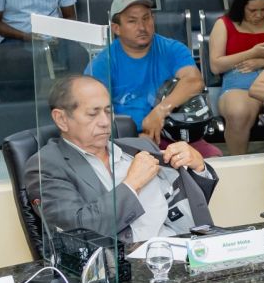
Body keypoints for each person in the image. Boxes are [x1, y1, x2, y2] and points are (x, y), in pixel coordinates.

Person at [20, 75, 217, 242]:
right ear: (62, 119)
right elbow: (79, 230)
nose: (105, 122)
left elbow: (192, 206)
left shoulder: (141, 147)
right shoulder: (46, 166)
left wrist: (199, 168)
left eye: (108, 111)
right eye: (93, 114)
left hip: (185, 249)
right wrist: (132, 184)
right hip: (124, 266)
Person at [85, 0, 218, 154]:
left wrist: (160, 111)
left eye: (146, 18)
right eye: (132, 21)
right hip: (127, 140)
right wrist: (133, 138)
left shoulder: (172, 49)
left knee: (213, 158)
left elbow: (194, 81)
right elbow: (92, 111)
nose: (142, 27)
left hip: (175, 134)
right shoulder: (102, 63)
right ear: (116, 28)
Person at [207, 0, 264, 155]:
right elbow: (216, 66)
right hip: (240, 81)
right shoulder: (224, 24)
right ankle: (239, 161)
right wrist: (251, 53)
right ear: (241, 6)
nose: (258, 15)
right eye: (252, 10)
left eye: (263, 9)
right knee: (239, 113)